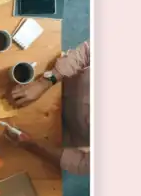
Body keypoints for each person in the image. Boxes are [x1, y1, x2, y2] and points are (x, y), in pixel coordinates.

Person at [6, 40, 90, 174]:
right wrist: (45, 82)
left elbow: (82, 164)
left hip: (64, 136)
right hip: (62, 82)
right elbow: (86, 52)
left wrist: (32, 146)